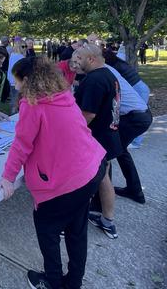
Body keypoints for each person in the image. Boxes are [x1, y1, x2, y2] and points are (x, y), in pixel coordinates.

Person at [0, 56, 106, 289]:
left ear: (26, 79)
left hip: (67, 180)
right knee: (76, 230)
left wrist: (8, 177)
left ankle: (52, 281)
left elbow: (22, 144)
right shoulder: (63, 94)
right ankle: (74, 281)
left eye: (16, 81)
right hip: (91, 169)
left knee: (47, 230)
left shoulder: (32, 103)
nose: (15, 85)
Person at [72, 44, 122, 240]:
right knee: (103, 179)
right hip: (108, 136)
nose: (77, 62)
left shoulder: (94, 80)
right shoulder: (108, 74)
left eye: (80, 59)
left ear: (91, 59)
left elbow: (87, 115)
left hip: (96, 140)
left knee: (88, 180)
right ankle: (107, 220)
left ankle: (76, 219)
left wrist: (71, 135)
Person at [102, 64, 152, 205]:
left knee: (106, 153)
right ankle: (135, 190)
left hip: (134, 117)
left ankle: (101, 201)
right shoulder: (107, 69)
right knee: (120, 151)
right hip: (139, 114)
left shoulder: (103, 73)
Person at [7, 40, 27, 114]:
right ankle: (14, 114)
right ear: (19, 47)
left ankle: (13, 113)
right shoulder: (21, 57)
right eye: (23, 46)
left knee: (14, 98)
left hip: (11, 80)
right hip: (17, 81)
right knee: (17, 99)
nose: (25, 48)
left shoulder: (12, 55)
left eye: (25, 46)